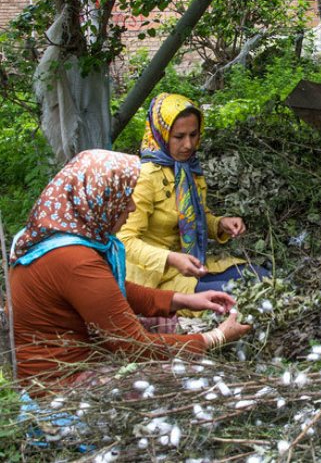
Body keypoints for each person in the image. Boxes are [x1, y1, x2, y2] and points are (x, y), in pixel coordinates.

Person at [9, 150, 251, 392]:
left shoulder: (67, 237)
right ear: (99, 201)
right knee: (188, 381)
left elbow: (114, 292)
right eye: (124, 199)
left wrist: (184, 300)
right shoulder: (73, 260)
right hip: (59, 382)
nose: (132, 207)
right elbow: (134, 346)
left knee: (165, 324)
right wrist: (213, 338)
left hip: (79, 352)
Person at [119, 93, 268, 294]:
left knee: (263, 278)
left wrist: (220, 224)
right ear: (161, 134)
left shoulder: (188, 170)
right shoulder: (145, 177)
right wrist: (170, 258)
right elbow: (124, 241)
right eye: (179, 137)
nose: (188, 145)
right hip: (156, 277)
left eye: (193, 134)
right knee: (236, 295)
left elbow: (194, 216)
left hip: (193, 265)